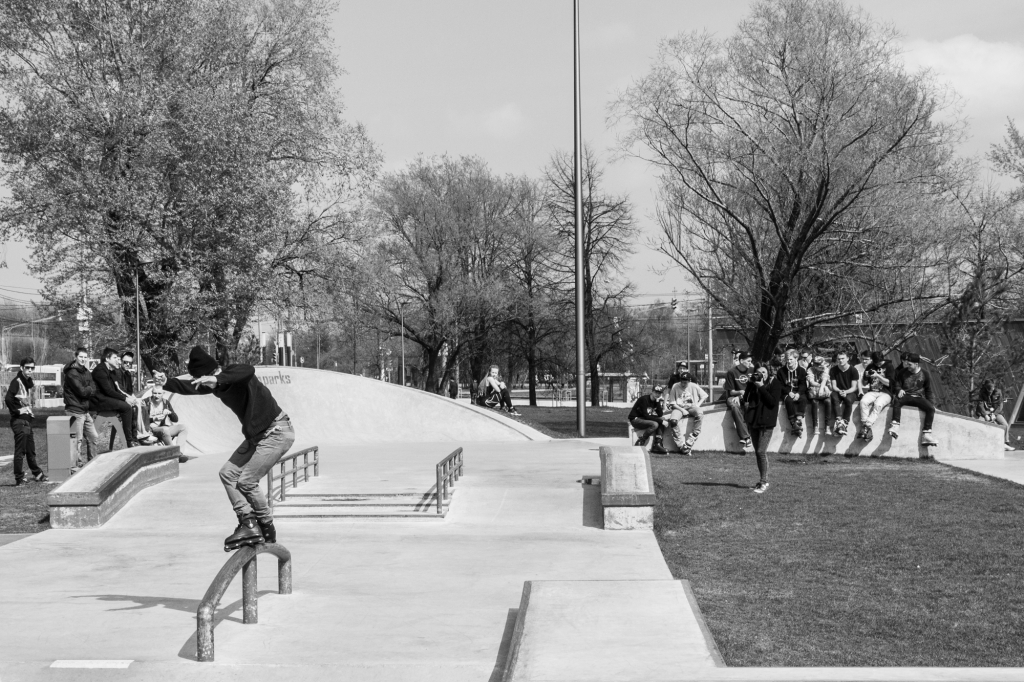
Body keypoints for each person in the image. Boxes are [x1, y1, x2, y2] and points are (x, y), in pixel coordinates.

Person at [154, 346, 295, 551]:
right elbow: (189, 387)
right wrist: (166, 382)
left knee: (247, 481)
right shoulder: (212, 386)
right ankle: (248, 521)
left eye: (205, 381)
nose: (209, 388)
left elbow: (247, 370)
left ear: (208, 374)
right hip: (257, 436)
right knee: (227, 473)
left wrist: (218, 380)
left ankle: (266, 527)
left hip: (276, 432)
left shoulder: (237, 375)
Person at [6, 357, 47, 485]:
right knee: (21, 451)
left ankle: (37, 473)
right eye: (27, 368)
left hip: (27, 422)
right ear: (22, 368)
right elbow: (8, 398)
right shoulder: (17, 381)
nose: (30, 370)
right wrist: (17, 411)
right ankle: (19, 478)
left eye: (32, 368)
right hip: (19, 422)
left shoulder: (26, 382)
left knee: (31, 450)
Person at [742, 364, 782, 493]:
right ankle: (762, 481)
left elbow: (772, 402)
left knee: (761, 451)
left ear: (768, 373)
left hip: (767, 423)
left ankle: (764, 482)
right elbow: (745, 399)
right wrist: (750, 384)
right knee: (758, 453)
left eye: (764, 372)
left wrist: (762, 387)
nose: (761, 375)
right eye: (758, 372)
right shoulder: (753, 383)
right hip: (754, 421)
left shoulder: (775, 383)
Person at [92, 348, 142, 448]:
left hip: (106, 398)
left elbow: (118, 389)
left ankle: (136, 437)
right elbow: (108, 391)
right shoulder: (100, 370)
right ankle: (129, 441)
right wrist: (125, 399)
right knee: (126, 407)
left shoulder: (111, 371)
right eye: (115, 358)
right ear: (107, 358)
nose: (117, 360)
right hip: (98, 400)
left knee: (131, 405)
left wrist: (129, 398)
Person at [63, 347, 100, 469]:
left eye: (85, 357)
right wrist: (89, 389)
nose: (83, 359)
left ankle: (92, 462)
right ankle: (75, 466)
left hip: (85, 410)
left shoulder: (86, 372)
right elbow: (82, 392)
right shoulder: (71, 373)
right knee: (77, 440)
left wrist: (88, 389)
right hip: (74, 410)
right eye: (81, 357)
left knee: (93, 436)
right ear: (75, 357)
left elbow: (94, 389)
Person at [888, 352, 936, 443]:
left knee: (930, 409)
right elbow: (897, 384)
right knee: (897, 401)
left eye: (910, 364)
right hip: (906, 395)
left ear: (916, 364)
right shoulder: (902, 372)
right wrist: (899, 390)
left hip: (918, 397)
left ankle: (926, 434)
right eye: (907, 364)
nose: (907, 366)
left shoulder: (925, 374)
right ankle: (895, 426)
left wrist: (932, 404)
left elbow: (928, 390)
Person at [666, 371, 707, 454]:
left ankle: (692, 438)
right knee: (673, 421)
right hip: (679, 408)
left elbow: (705, 395)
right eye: (682, 382)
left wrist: (698, 405)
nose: (683, 384)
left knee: (700, 414)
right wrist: (682, 410)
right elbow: (672, 403)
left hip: (692, 407)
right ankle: (681, 445)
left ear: (689, 381)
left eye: (685, 382)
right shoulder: (675, 386)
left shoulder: (694, 386)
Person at [857, 351, 893, 441]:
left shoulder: (889, 366)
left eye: (880, 362)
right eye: (876, 362)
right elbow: (864, 382)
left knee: (878, 404)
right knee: (863, 401)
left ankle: (866, 426)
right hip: (872, 391)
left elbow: (889, 383)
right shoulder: (870, 366)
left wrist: (878, 375)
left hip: (886, 392)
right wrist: (865, 377)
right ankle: (866, 428)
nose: (878, 364)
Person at [723, 351, 753, 451]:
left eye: (751, 361)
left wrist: (743, 395)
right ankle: (746, 436)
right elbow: (731, 392)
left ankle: (746, 436)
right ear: (741, 361)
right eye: (748, 361)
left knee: (749, 405)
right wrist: (740, 393)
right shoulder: (732, 372)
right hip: (734, 396)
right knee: (734, 406)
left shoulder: (752, 370)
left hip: (747, 396)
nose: (750, 363)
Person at [777, 349, 809, 436]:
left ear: (796, 359)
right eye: (787, 359)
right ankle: (793, 423)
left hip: (798, 391)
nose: (789, 361)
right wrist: (788, 392)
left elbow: (803, 385)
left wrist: (798, 393)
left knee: (803, 399)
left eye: (791, 359)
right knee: (789, 401)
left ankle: (798, 422)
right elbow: (780, 385)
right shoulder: (781, 371)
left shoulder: (801, 370)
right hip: (787, 392)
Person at [628, 384, 668, 452]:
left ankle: (657, 444)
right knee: (655, 424)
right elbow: (646, 416)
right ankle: (641, 441)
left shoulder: (656, 401)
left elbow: (660, 414)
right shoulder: (644, 399)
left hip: (643, 419)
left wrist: (658, 402)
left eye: (659, 393)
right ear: (652, 392)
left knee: (661, 419)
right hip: (636, 419)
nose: (657, 395)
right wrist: (660, 421)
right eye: (656, 392)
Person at [829, 350, 859, 436]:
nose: (840, 360)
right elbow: (834, 386)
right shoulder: (833, 370)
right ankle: (838, 421)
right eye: (839, 359)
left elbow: (854, 387)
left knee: (848, 400)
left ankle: (845, 423)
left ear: (847, 359)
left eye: (843, 358)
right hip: (838, 391)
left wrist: (846, 392)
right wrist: (840, 391)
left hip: (850, 391)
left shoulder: (853, 370)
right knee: (834, 397)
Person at [976, 379, 1013, 450]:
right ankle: (980, 442)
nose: (990, 392)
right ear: (986, 388)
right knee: (979, 423)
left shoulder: (998, 392)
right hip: (986, 412)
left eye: (992, 391)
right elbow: (980, 405)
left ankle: (1005, 442)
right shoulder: (982, 392)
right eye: (989, 391)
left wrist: (994, 414)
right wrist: (985, 415)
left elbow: (1000, 405)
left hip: (995, 412)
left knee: (1005, 425)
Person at [807, 356, 833, 434]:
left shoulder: (826, 368)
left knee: (828, 402)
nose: (820, 366)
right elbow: (811, 381)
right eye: (818, 365)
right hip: (814, 392)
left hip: (825, 392)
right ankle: (815, 426)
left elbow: (825, 379)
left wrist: (823, 388)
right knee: (814, 403)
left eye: (821, 364)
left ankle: (827, 426)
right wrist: (821, 386)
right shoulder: (810, 370)